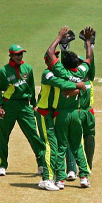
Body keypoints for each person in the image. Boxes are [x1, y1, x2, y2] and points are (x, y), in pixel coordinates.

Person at [47, 26, 94, 188]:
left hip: (62, 114)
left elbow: (50, 53)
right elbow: (89, 59)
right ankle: (84, 177)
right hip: (76, 113)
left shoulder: (61, 72)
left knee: (61, 146)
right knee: (77, 145)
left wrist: (59, 37)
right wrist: (88, 41)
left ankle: (60, 180)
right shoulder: (81, 72)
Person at [35, 50, 86, 191]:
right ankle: (46, 179)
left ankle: (53, 176)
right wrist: (79, 86)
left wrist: (77, 89)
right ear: (48, 61)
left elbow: (67, 80)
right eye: (55, 57)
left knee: (55, 146)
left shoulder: (58, 72)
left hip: (51, 114)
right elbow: (62, 84)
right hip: (44, 114)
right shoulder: (47, 74)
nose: (57, 59)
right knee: (51, 145)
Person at [0, 44, 45, 177]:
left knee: (33, 135)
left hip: (24, 106)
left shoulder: (27, 68)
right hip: (9, 106)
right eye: (17, 54)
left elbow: (31, 87)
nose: (20, 56)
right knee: (3, 136)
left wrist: (34, 104)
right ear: (11, 55)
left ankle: (41, 164)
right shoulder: (3, 71)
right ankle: (2, 165)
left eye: (21, 54)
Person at [65, 28, 97, 180]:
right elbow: (89, 60)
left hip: (81, 112)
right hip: (80, 112)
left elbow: (89, 60)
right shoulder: (77, 73)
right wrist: (88, 42)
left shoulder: (75, 74)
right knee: (79, 139)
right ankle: (78, 168)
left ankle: (79, 168)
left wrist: (63, 45)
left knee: (81, 139)